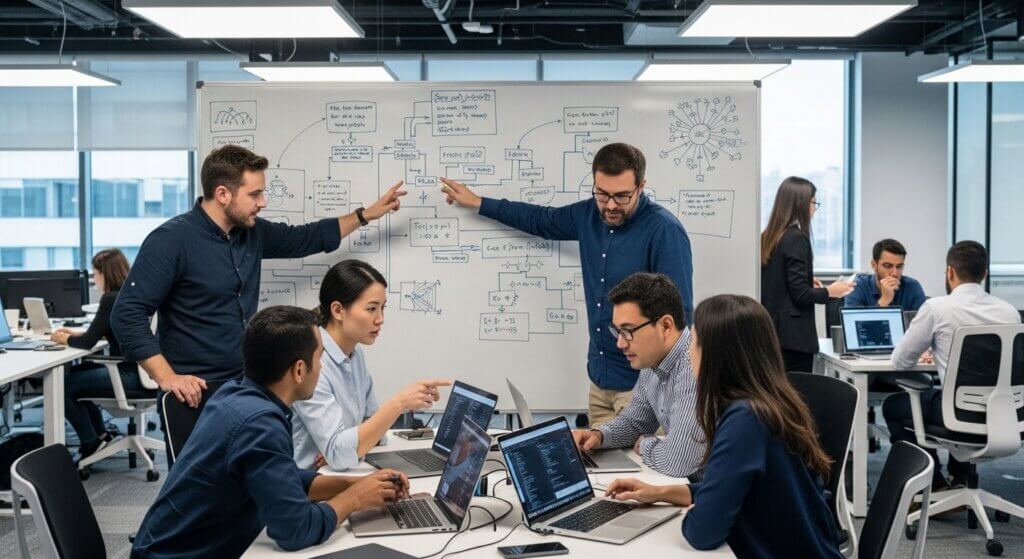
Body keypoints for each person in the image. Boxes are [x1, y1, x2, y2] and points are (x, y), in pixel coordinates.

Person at [112, 145, 407, 414]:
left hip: (245, 385)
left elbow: (305, 238)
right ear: (223, 193)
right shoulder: (171, 241)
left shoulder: (252, 233)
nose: (263, 202)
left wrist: (365, 215)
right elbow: (127, 314)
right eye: (254, 194)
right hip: (194, 393)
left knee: (248, 472)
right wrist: (167, 377)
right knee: (201, 474)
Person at [440, 143, 693, 427]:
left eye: (622, 196)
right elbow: (539, 220)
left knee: (641, 472)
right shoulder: (586, 216)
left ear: (641, 186)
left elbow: (679, 319)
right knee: (602, 468)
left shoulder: (664, 230)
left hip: (641, 391)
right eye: (602, 194)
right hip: (599, 384)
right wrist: (479, 203)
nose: (610, 205)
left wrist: (657, 390)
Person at [131, 306, 411, 558]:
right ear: (299, 370)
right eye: (319, 358)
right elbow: (295, 531)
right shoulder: (259, 424)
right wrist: (354, 500)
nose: (322, 367)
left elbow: (280, 477)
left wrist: (353, 486)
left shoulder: (236, 394)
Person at [603, 295, 843, 558]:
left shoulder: (745, 420)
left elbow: (702, 532)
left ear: (716, 354)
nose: (688, 351)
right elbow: (736, 487)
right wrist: (661, 492)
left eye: (693, 341)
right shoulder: (770, 402)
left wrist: (698, 512)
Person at [883, 241, 1020, 490]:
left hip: (957, 415)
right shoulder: (1010, 312)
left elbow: (900, 361)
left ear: (950, 272)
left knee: (894, 406)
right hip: (1005, 415)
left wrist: (934, 350)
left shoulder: (937, 308)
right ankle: (961, 478)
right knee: (955, 398)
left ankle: (934, 485)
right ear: (984, 274)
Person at [292, 259, 452, 470]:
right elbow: (341, 454)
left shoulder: (354, 354)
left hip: (338, 474)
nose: (380, 319)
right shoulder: (314, 363)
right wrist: (398, 404)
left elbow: (374, 434)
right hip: (311, 485)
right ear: (338, 310)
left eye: (382, 308)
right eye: (371, 309)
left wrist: (347, 446)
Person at [570, 272, 703, 478]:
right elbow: (635, 422)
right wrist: (599, 435)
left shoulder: (692, 366)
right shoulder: (652, 363)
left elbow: (678, 462)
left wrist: (646, 444)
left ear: (665, 326)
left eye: (628, 331)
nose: (621, 343)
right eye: (618, 332)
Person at [49, 249, 141, 459]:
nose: (94, 278)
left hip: (128, 375)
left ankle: (90, 442)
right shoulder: (129, 294)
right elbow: (100, 332)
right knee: (80, 371)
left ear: (104, 274)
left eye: (95, 273)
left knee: (63, 386)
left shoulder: (110, 299)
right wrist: (77, 334)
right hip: (143, 372)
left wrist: (65, 339)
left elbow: (88, 343)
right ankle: (100, 435)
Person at [760, 177, 853, 373]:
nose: (814, 209)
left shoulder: (769, 237)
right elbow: (800, 295)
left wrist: (804, 279)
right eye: (813, 203)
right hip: (794, 341)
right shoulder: (796, 238)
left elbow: (777, 282)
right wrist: (830, 292)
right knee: (797, 398)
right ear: (801, 204)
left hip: (771, 335)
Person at [846, 238, 927, 311]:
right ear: (874, 265)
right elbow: (854, 325)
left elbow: (922, 325)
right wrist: (884, 301)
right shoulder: (856, 286)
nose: (894, 273)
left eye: (899, 266)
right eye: (888, 266)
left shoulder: (913, 287)